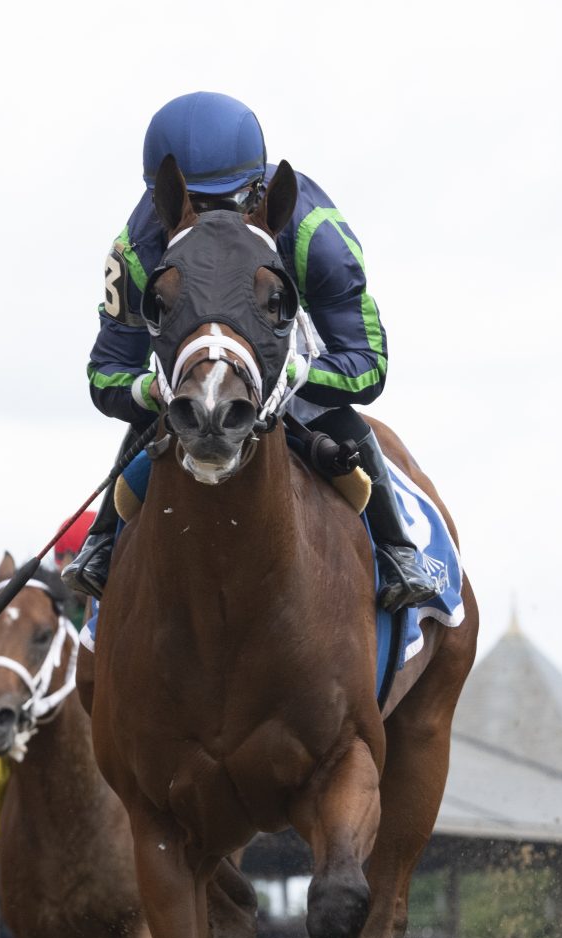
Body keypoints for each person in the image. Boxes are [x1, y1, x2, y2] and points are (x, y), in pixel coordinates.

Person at [62, 91, 444, 612]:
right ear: (164, 199)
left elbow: (368, 364)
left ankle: (398, 547)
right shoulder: (135, 250)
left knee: (335, 415)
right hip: (192, 375)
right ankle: (103, 541)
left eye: (229, 204)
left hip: (287, 359)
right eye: (192, 206)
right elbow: (107, 372)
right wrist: (153, 388)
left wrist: (291, 376)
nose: (213, 225)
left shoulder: (313, 232)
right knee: (154, 419)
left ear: (259, 189)